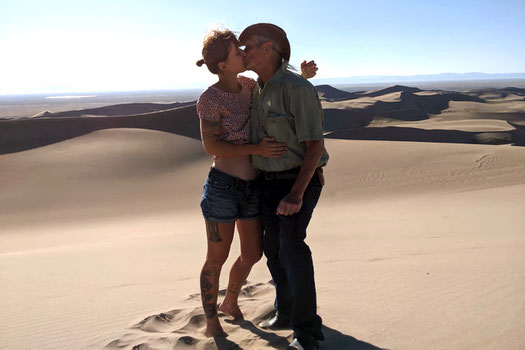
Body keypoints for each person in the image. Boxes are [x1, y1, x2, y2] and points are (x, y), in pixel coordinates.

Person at [195, 29, 318, 338]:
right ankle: (212, 323)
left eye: (243, 49)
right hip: (223, 186)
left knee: (253, 254)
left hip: (254, 186)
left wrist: (302, 78)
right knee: (217, 258)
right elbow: (212, 147)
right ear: (223, 64)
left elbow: (280, 92)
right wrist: (256, 149)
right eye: (238, 51)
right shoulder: (209, 99)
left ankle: (231, 302)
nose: (243, 53)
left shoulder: (251, 86)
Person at [238, 23, 329, 350]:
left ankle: (307, 331)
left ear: (268, 48)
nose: (242, 52)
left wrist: (296, 193)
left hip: (297, 181)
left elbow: (314, 147)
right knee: (273, 251)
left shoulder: (297, 89)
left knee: (292, 248)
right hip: (266, 183)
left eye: (246, 46)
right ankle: (286, 309)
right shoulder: (256, 88)